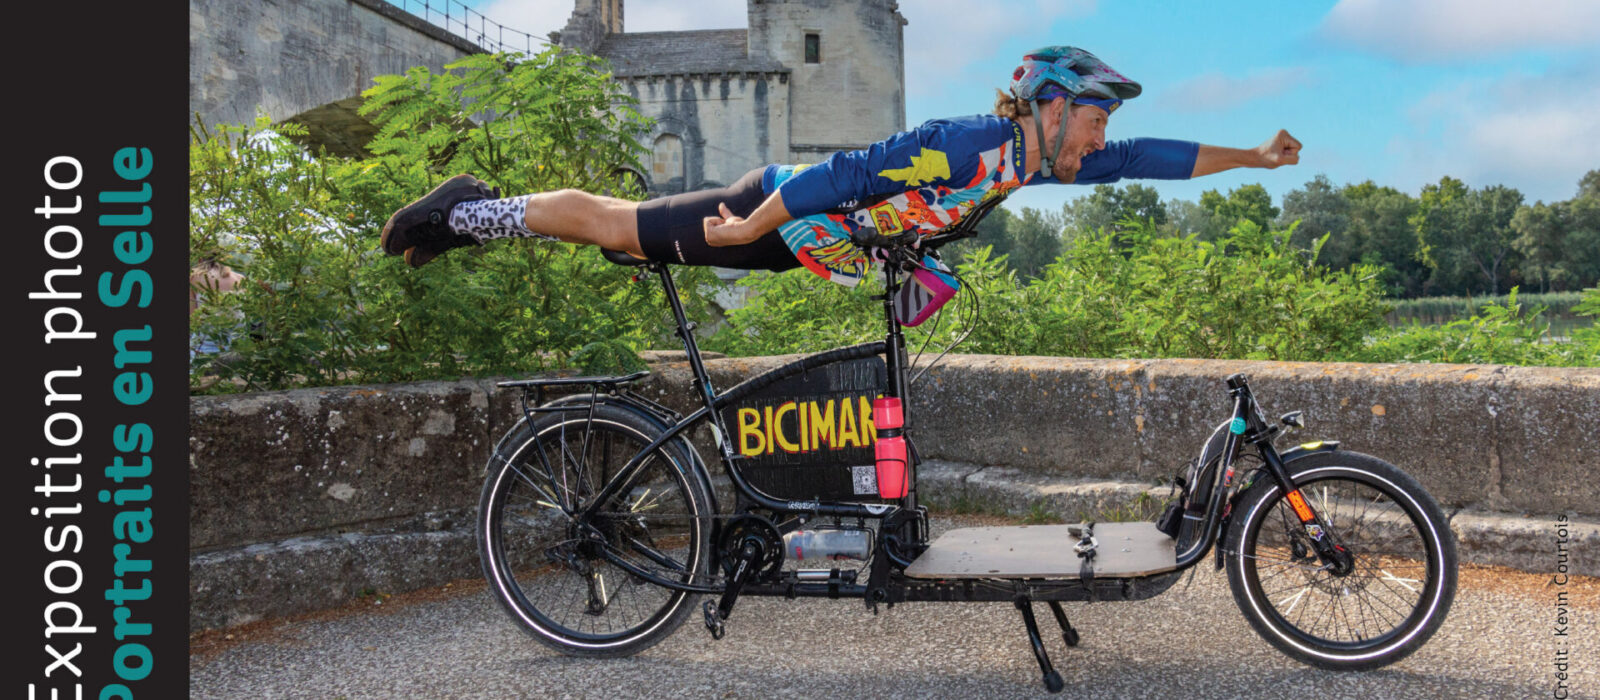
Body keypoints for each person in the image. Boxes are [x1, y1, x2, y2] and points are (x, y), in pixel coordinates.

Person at [381, 46, 1300, 285]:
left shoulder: (1034, 166)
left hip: (805, 244)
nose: (1101, 137)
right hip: (776, 215)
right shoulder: (970, 143)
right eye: (1094, 117)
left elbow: (1150, 159)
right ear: (1053, 106)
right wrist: (751, 225)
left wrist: (1253, 160)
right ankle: (462, 213)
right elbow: (849, 174)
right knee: (615, 223)